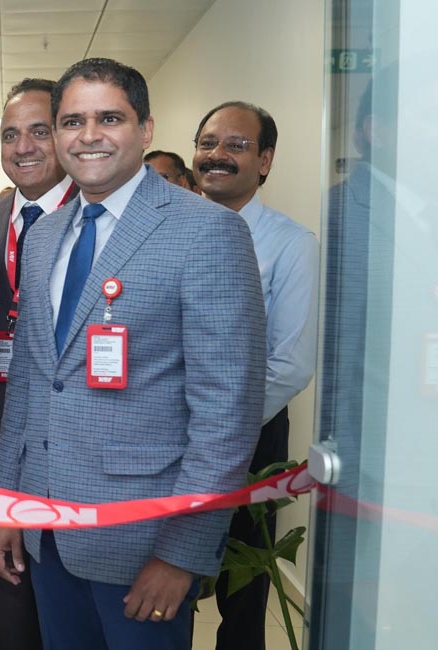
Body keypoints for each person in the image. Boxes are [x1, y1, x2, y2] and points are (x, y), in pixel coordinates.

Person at [0, 58, 267, 650]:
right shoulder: (44, 236)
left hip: (143, 542)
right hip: (46, 529)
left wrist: (182, 554)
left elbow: (227, 413)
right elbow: (33, 384)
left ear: (145, 129)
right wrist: (8, 504)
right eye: (71, 121)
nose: (87, 135)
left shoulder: (206, 231)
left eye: (108, 118)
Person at [191, 100, 318, 650]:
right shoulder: (163, 231)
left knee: (240, 593)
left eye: (235, 146)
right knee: (161, 578)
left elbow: (292, 362)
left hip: (249, 438)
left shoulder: (291, 246)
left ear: (264, 162)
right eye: (207, 142)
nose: (216, 155)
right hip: (160, 435)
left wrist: (214, 424)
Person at [0, 77, 74, 650]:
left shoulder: (94, 213)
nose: (22, 146)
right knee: (7, 608)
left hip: (73, 452)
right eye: (9, 135)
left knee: (68, 609)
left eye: (39, 131)